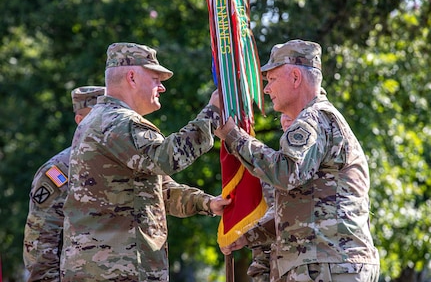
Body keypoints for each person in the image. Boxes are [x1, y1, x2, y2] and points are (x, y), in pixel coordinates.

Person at [60, 42, 230, 282]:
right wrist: (212, 113)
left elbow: (158, 188)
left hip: (107, 266)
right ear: (132, 77)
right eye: (155, 78)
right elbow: (167, 158)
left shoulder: (102, 119)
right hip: (118, 269)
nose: (161, 88)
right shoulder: (119, 122)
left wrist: (206, 203)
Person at [215, 39, 380, 282]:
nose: (266, 89)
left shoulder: (313, 120)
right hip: (327, 262)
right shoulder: (321, 119)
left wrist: (233, 136)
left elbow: (285, 173)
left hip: (327, 264)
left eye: (271, 79)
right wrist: (247, 236)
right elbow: (305, 209)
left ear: (295, 77)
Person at [23, 86, 106, 281]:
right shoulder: (60, 170)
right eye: (98, 117)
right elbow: (40, 239)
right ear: (80, 121)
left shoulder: (126, 161)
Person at [247, 113, 294, 282]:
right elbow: (261, 251)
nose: (286, 119)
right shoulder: (268, 175)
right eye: (283, 114)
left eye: (294, 112)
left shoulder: (326, 166)